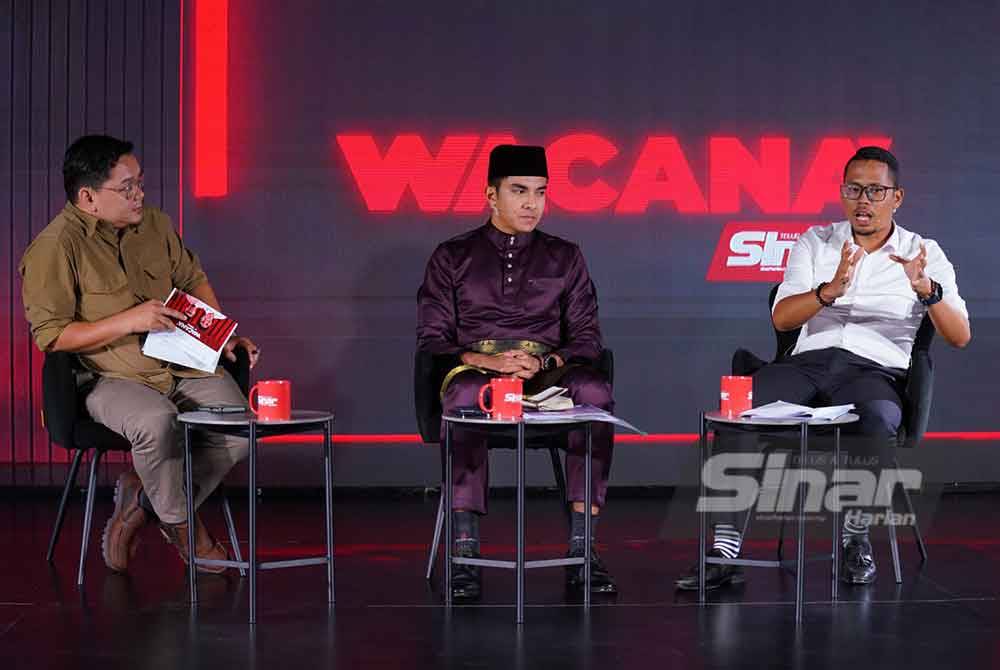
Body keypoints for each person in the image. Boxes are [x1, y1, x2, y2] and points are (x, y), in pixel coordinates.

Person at [678, 146, 970, 590]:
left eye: (875, 190)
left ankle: (855, 538)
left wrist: (927, 290)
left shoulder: (923, 252)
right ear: (842, 192)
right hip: (807, 365)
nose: (863, 200)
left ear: (897, 197)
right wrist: (828, 291)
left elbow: (959, 336)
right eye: (854, 189)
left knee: (878, 419)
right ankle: (724, 550)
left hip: (874, 372)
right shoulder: (815, 241)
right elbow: (782, 318)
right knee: (735, 411)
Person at [19, 135, 261, 575]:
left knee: (239, 429)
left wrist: (220, 334)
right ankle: (189, 533)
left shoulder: (155, 224)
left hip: (179, 362)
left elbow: (193, 278)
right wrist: (127, 321)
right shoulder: (55, 248)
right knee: (157, 423)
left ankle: (143, 504)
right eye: (127, 187)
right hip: (109, 375)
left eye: (141, 183)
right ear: (88, 197)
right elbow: (52, 336)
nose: (140, 195)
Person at [417, 144, 616, 599]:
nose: (532, 203)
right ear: (491, 195)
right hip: (478, 372)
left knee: (595, 394)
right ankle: (464, 555)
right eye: (519, 191)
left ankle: (584, 552)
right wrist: (489, 362)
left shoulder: (565, 256)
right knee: (464, 399)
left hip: (544, 373)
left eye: (541, 193)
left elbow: (587, 336)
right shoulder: (453, 255)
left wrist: (544, 363)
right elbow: (433, 336)